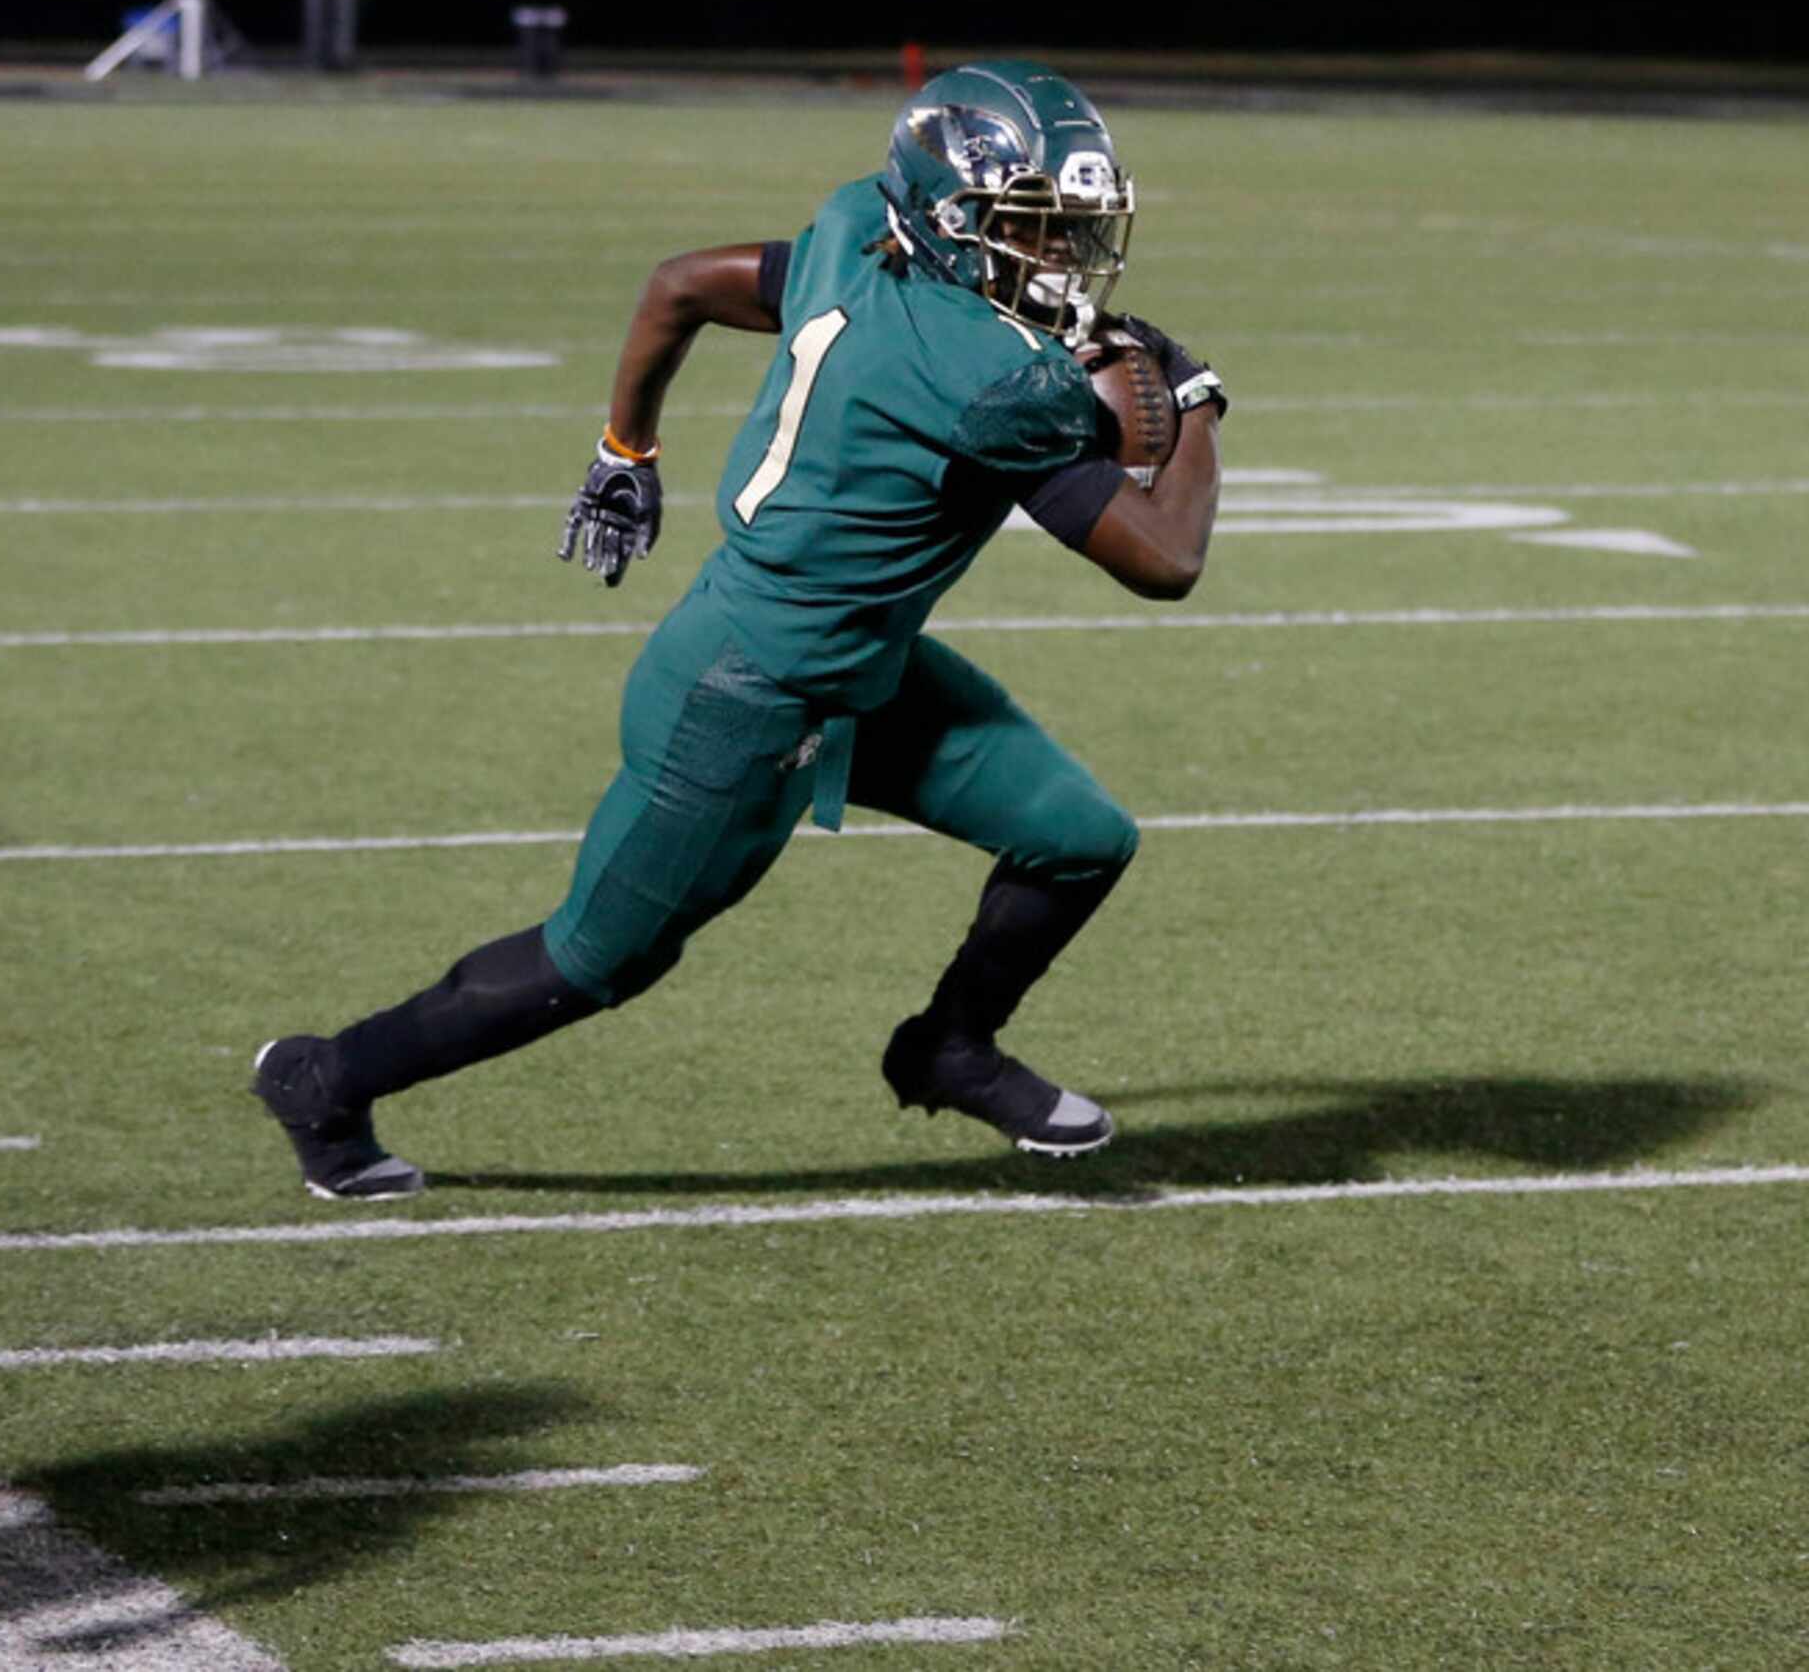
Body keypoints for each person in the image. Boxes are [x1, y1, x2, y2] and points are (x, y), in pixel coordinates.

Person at [254, 61, 1230, 1199]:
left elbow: (680, 285)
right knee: (594, 959)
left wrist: (626, 452)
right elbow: (1164, 560)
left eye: (1069, 229)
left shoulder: (860, 223)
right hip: (746, 687)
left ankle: (950, 1048)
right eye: (1032, 228)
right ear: (951, 222)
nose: (1060, 257)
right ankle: (324, 1078)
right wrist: (1198, 399)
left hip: (859, 658)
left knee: (1079, 835)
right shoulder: (987, 377)